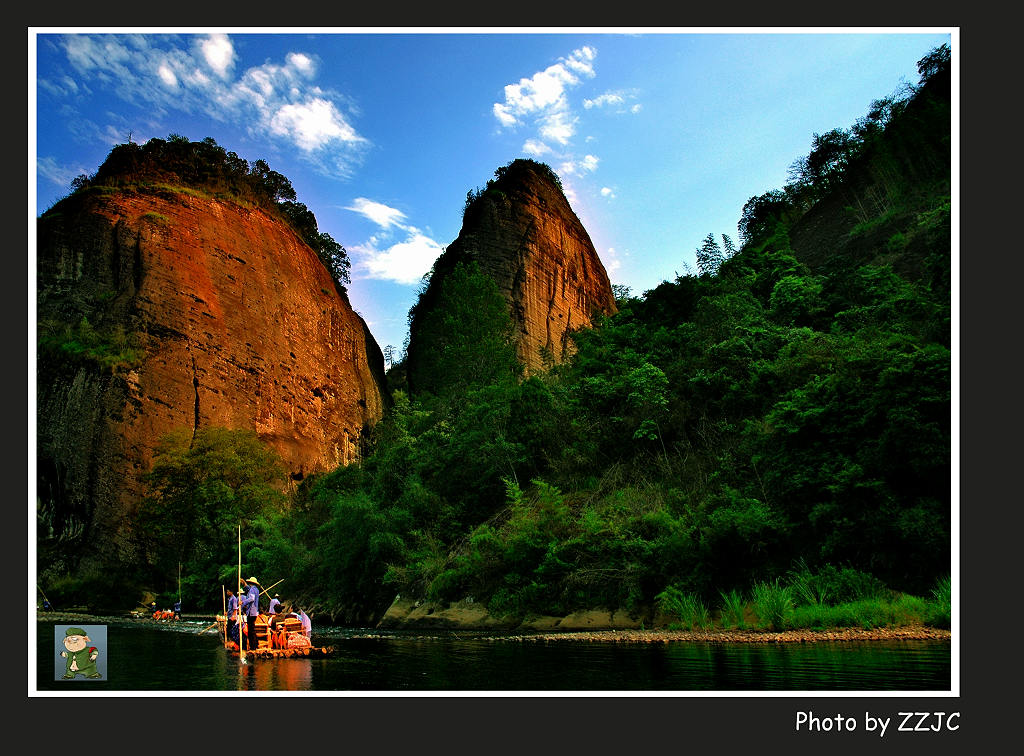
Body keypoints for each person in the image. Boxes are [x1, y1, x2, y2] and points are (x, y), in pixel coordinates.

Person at [239, 577, 260, 651]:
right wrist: (244, 584)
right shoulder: (256, 589)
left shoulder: (252, 590)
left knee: (251, 630)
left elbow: (251, 598)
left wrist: (243, 602)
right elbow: (248, 589)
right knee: (252, 629)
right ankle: (256, 644)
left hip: (251, 612)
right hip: (254, 612)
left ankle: (253, 647)